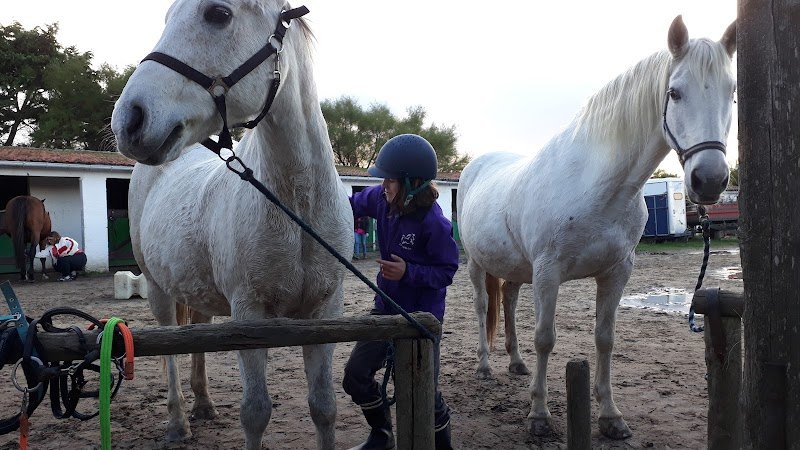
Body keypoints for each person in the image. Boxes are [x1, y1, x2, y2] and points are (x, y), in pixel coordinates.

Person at [344, 134, 459, 450]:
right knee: (355, 375)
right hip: (385, 309)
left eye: (391, 180)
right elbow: (348, 205)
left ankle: (443, 446)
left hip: (421, 320)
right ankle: (382, 435)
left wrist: (409, 272)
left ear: (413, 183)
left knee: (424, 391)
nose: (384, 185)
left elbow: (447, 271)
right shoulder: (382, 199)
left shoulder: (434, 223)